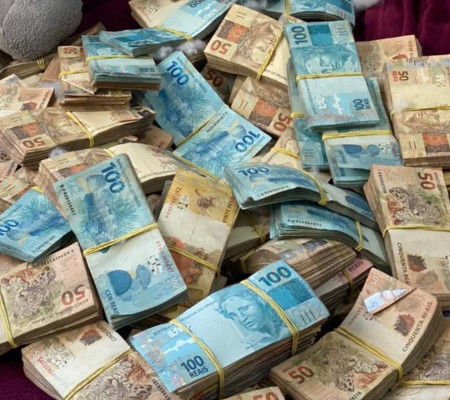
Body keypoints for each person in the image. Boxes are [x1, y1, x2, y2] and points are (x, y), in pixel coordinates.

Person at [218, 287, 285, 348]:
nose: (242, 318)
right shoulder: (247, 346)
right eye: (233, 315)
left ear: (260, 302)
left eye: (244, 308)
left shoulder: (283, 325)